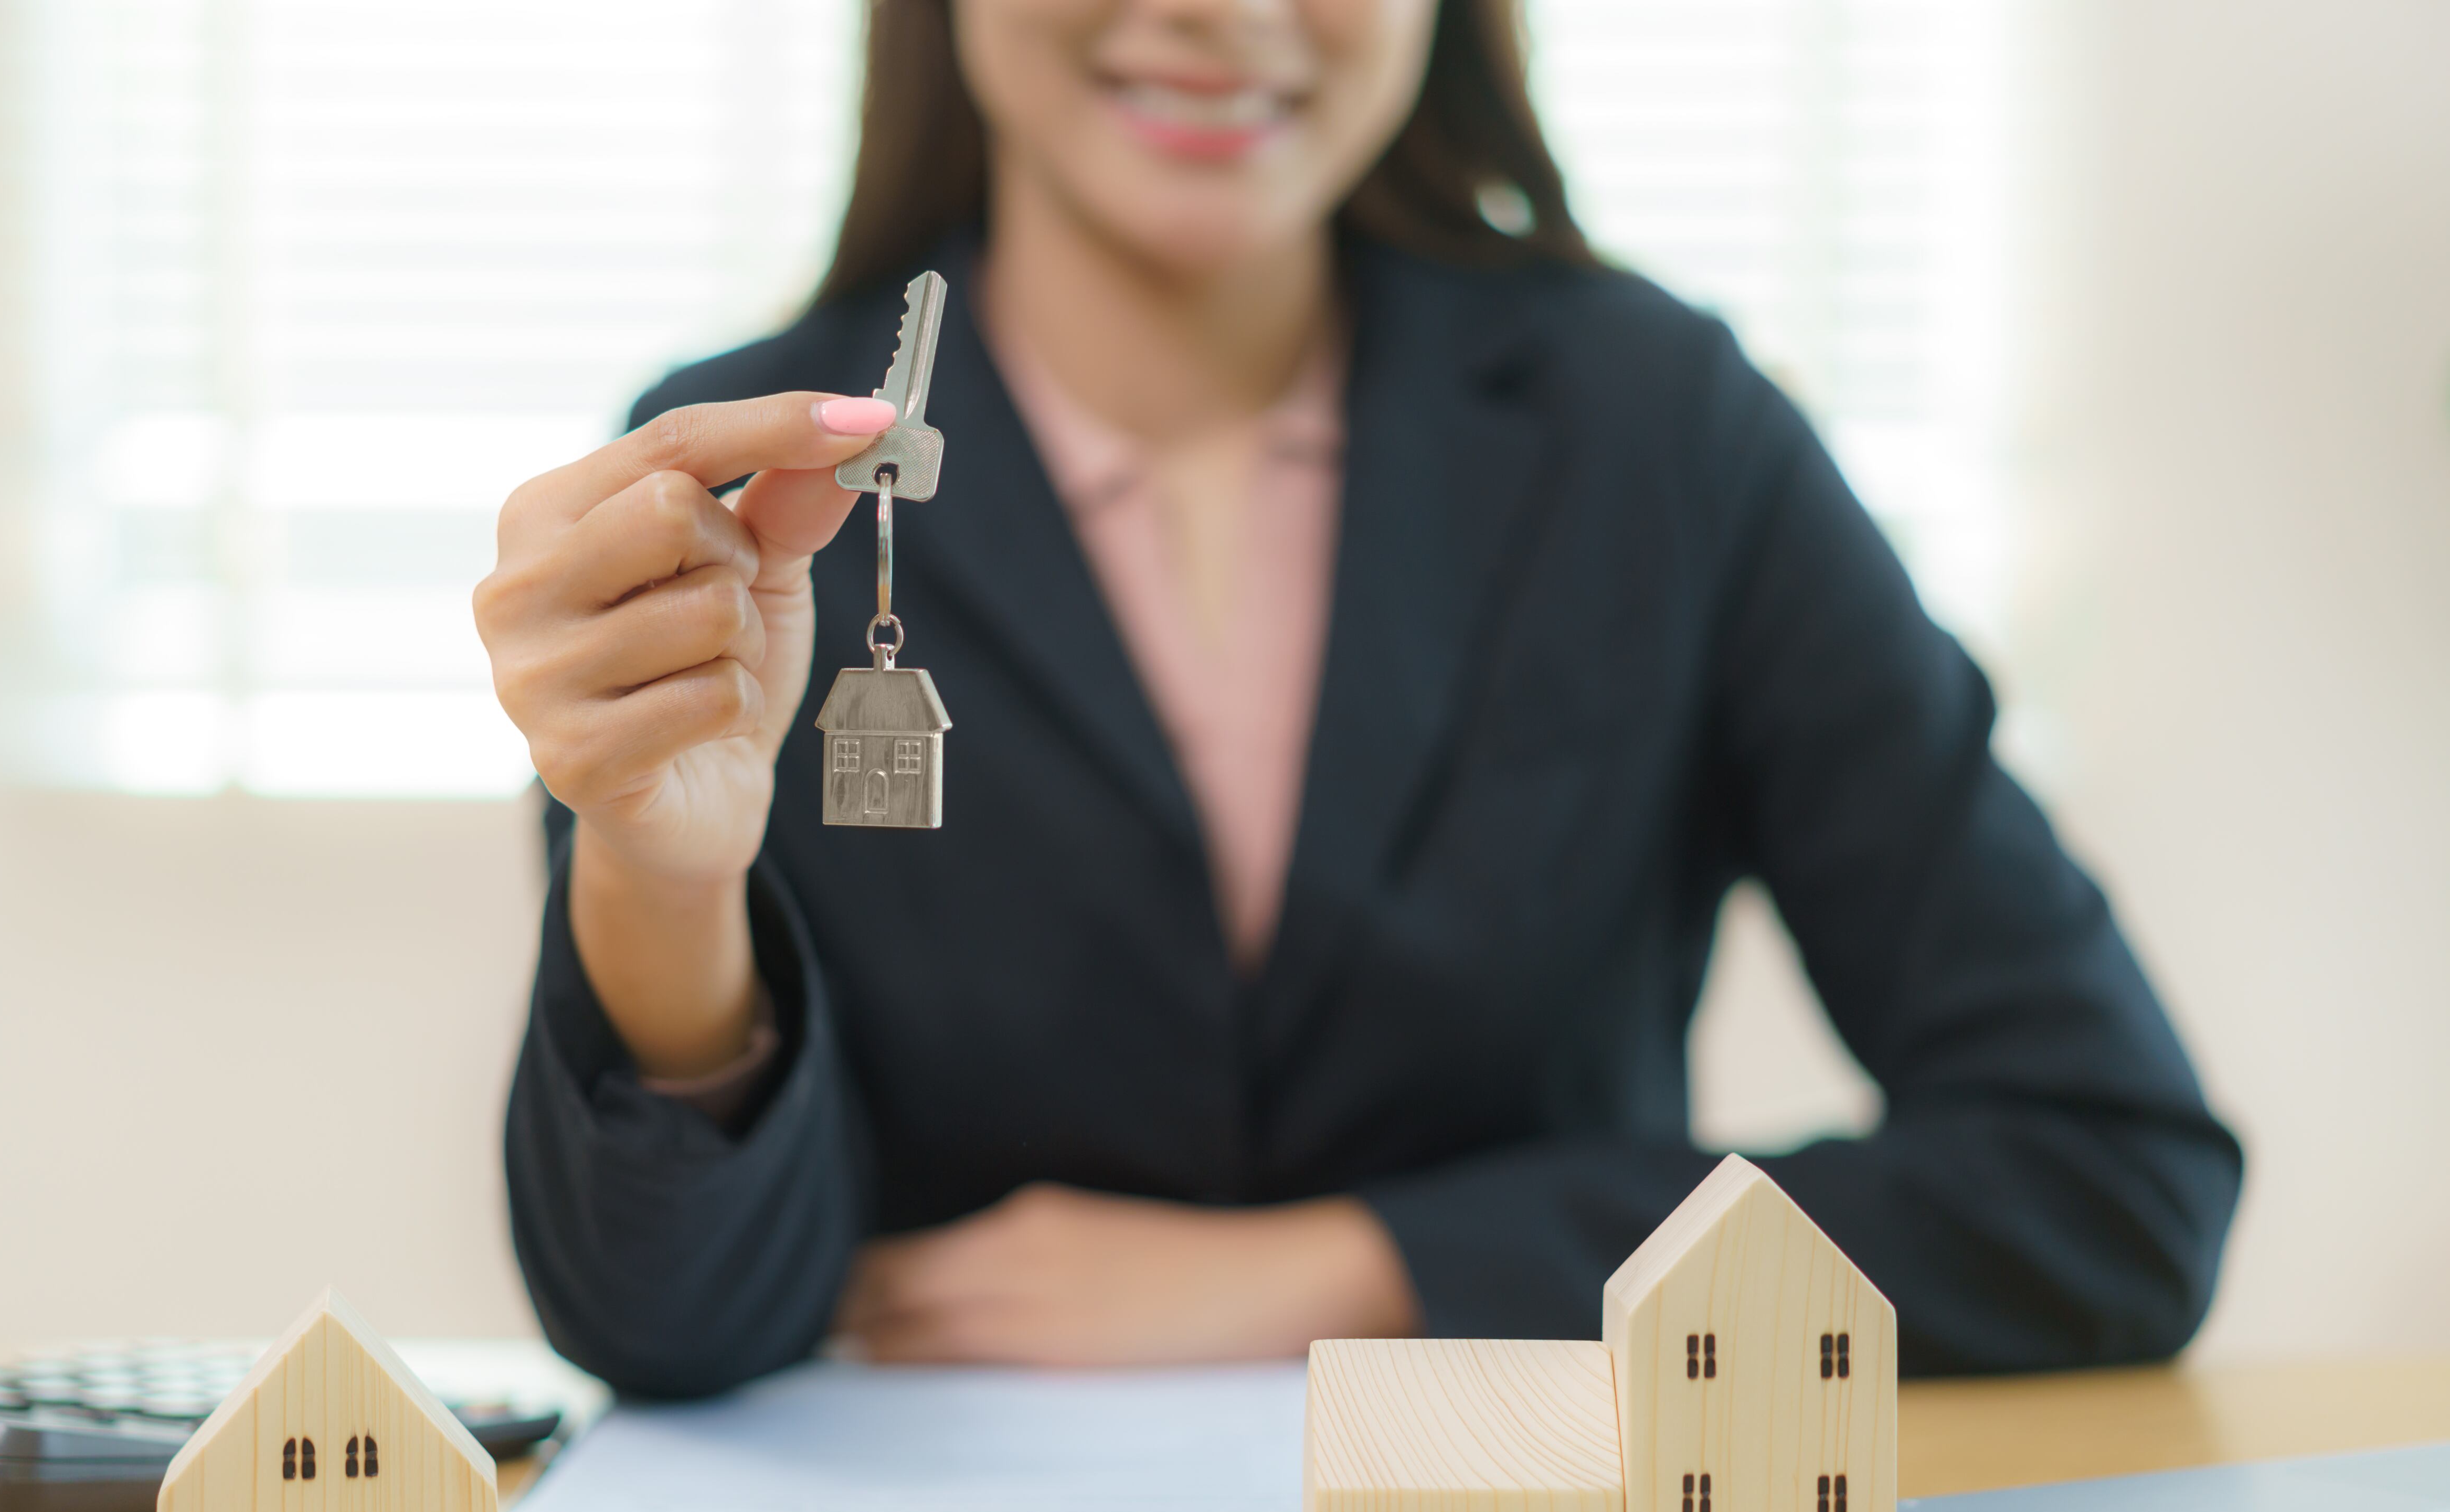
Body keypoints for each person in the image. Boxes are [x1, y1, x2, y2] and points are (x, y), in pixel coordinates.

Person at [473, 0, 2239, 1399]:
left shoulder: (1663, 438)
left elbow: (2105, 1181)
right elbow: (670, 1321)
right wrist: (661, 877)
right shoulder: (748, 479)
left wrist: (1352, 1270)